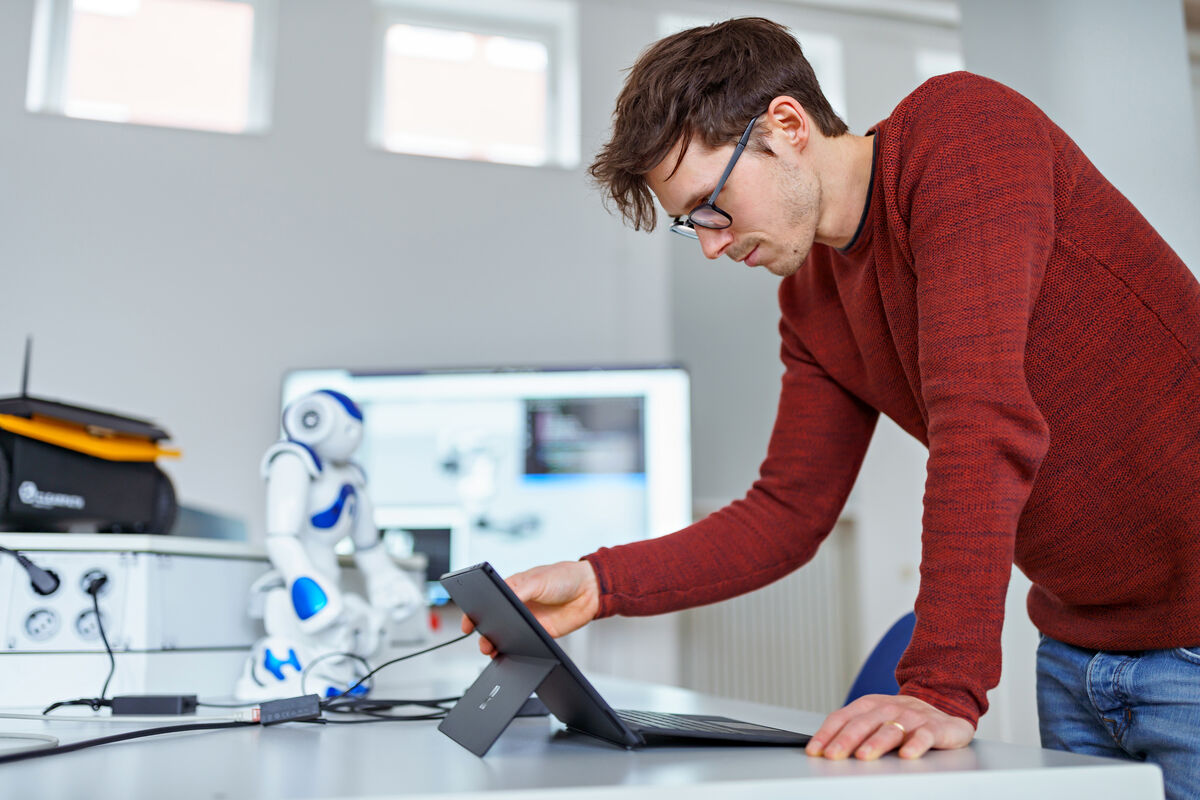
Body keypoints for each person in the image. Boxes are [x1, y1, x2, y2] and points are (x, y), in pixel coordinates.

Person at [464, 17, 1200, 796]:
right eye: (692, 224)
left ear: (785, 125)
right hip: (1079, 650)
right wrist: (598, 582)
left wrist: (942, 686)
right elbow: (785, 512)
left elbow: (982, 423)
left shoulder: (963, 135)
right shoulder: (813, 299)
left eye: (712, 203)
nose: (711, 244)